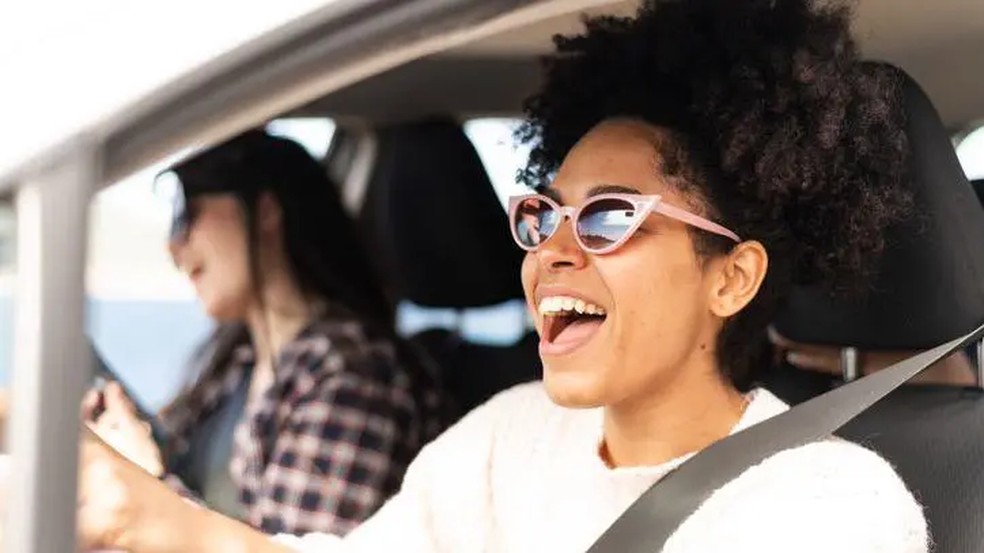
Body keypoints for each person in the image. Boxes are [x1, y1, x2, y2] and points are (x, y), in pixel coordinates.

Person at [73, 0, 928, 550]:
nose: (551, 250)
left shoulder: (830, 503)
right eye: (541, 216)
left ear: (732, 278)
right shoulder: (506, 438)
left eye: (609, 217)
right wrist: (148, 516)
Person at [81, 129, 449, 537]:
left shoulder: (353, 374)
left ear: (265, 210)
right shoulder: (240, 361)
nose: (174, 245)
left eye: (190, 212)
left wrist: (143, 485)